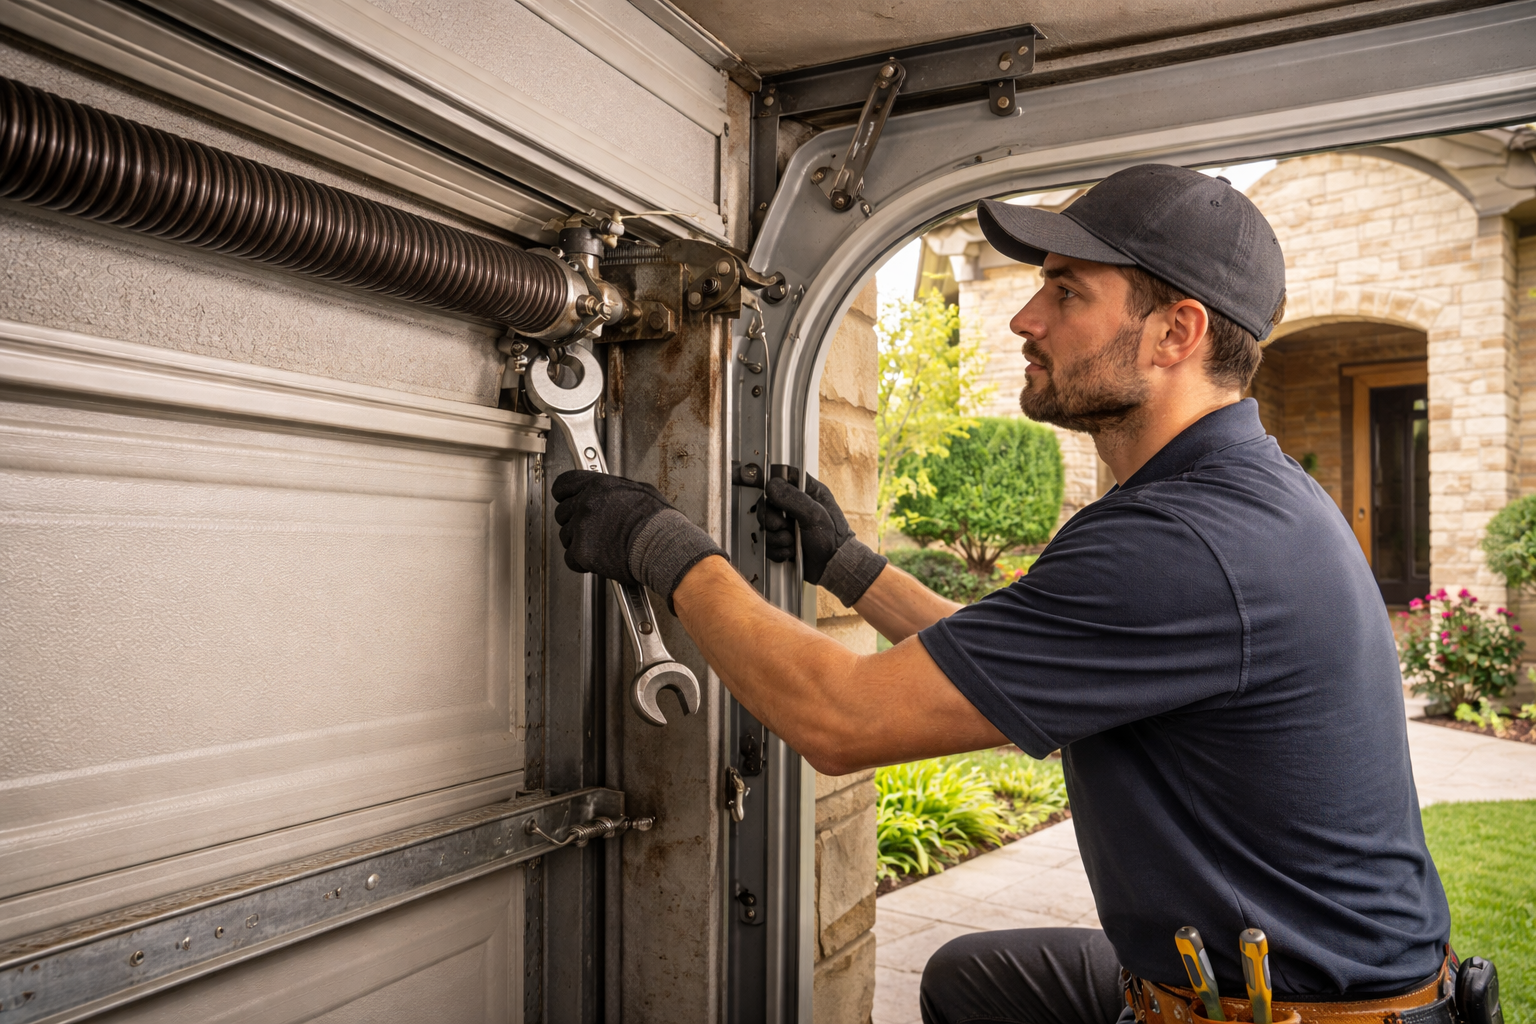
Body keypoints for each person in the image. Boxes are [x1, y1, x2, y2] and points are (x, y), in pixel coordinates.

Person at [551, 164, 1453, 1024]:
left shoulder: (1185, 542)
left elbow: (840, 720)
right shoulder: (1233, 498)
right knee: (975, 981)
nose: (1025, 317)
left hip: (1296, 1011)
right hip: (1272, 984)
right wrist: (847, 566)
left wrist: (658, 544)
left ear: (1176, 332)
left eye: (1067, 291)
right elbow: (1005, 662)